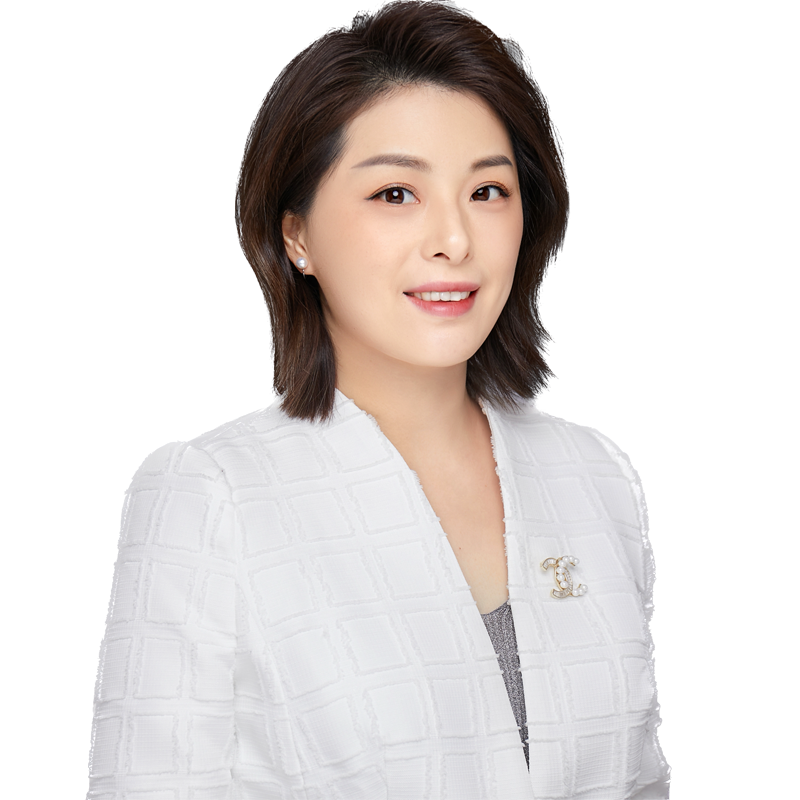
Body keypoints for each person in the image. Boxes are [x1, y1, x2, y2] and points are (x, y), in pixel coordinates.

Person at [88, 1, 671, 797]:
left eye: (488, 191)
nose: (454, 240)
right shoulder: (213, 497)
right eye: (396, 194)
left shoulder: (594, 477)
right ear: (296, 236)